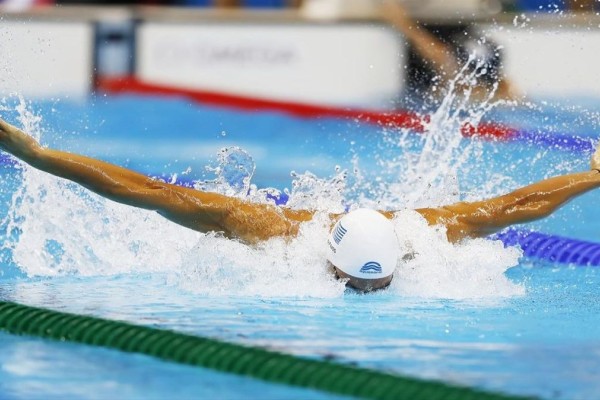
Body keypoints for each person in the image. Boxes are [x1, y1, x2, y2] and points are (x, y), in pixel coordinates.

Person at [1, 117, 599, 291]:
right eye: (355, 282)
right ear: (332, 261)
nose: (365, 293)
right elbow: (151, 193)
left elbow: (519, 204)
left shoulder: (421, 235)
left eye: (377, 284)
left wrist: (594, 176)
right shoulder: (277, 234)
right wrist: (36, 154)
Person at [381, 0, 521, 102]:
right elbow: (389, 8)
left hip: (464, 33)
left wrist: (494, 77)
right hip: (428, 35)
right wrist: (426, 45)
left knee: (506, 92)